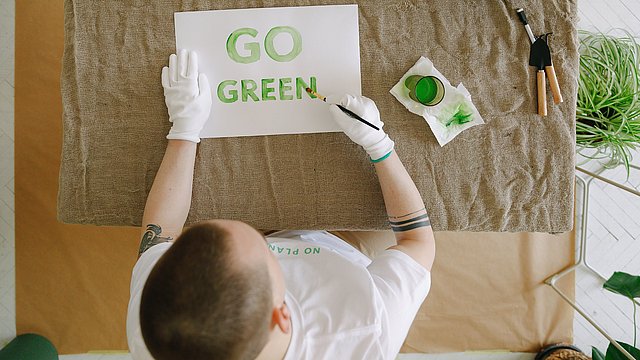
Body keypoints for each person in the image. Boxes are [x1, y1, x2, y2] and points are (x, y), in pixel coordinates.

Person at [126, 50, 436, 360]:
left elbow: (162, 231)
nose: (264, 241)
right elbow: (417, 241)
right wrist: (379, 145)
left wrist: (183, 129)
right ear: (282, 316)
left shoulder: (157, 319)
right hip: (345, 247)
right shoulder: (369, 329)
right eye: (264, 252)